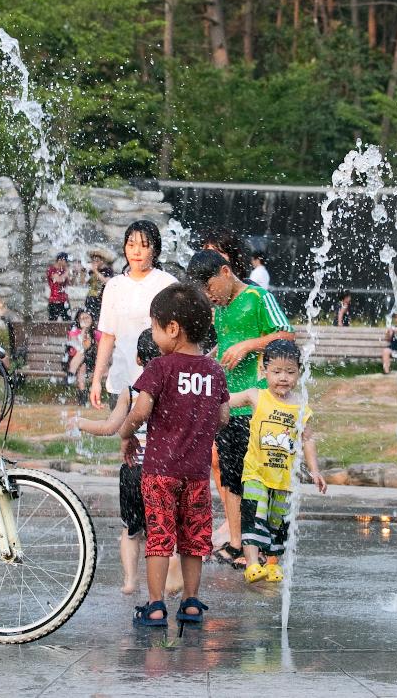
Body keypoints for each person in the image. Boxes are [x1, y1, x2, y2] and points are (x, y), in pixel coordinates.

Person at [119, 284, 229, 627]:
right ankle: (192, 603)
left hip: (160, 472)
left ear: (172, 329)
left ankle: (154, 606)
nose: (153, 334)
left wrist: (126, 434)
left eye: (154, 326)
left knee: (160, 538)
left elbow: (140, 412)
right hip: (196, 473)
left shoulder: (161, 368)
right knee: (195, 540)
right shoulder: (214, 371)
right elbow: (223, 417)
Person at [185, 249, 295, 570]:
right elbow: (228, 341)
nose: (208, 296)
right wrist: (211, 357)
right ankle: (236, 542)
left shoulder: (258, 298)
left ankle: (260, 546)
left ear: (224, 272)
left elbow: (286, 335)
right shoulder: (219, 310)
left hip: (260, 404)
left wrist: (248, 345)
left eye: (209, 288)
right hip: (229, 405)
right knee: (231, 477)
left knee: (257, 479)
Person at [73, 329, 181, 597]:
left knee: (130, 531)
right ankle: (170, 577)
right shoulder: (175, 391)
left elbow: (111, 427)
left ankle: (131, 581)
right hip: (164, 471)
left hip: (133, 472)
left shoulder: (131, 393)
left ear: (137, 359)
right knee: (167, 529)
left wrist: (81, 423)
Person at [226, 340, 326, 584]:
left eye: (290, 372)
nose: (283, 378)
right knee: (253, 516)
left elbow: (308, 440)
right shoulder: (256, 396)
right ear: (264, 371)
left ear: (299, 373)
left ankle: (272, 564)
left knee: (277, 522)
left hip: (283, 478)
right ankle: (251, 564)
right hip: (256, 473)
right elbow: (225, 400)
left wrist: (315, 471)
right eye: (277, 371)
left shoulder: (301, 407)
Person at [88, 221, 177, 409]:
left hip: (160, 382)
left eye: (144, 246)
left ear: (155, 250)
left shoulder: (168, 285)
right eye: (131, 245)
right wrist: (96, 380)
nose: (136, 252)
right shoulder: (114, 286)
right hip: (122, 380)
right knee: (126, 437)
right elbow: (107, 337)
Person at [66, 309, 97, 391]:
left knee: (82, 356)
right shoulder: (75, 330)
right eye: (82, 318)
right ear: (78, 320)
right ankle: (83, 396)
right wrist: (83, 330)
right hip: (74, 357)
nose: (84, 320)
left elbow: (86, 346)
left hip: (91, 359)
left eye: (86, 318)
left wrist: (85, 331)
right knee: (82, 368)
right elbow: (75, 345)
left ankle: (71, 373)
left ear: (91, 319)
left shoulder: (94, 331)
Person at [85, 247, 116, 322]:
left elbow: (107, 281)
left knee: (99, 320)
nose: (94, 262)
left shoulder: (108, 270)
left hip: (101, 299)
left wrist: (95, 271)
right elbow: (85, 283)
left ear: (102, 261)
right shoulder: (91, 271)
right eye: (93, 260)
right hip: (90, 298)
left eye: (97, 260)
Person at [46, 252, 72, 321]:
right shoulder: (51, 270)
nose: (66, 263)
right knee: (52, 323)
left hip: (64, 300)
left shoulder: (63, 270)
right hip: (54, 300)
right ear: (60, 260)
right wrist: (67, 272)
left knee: (68, 321)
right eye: (65, 261)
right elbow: (59, 280)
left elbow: (70, 282)